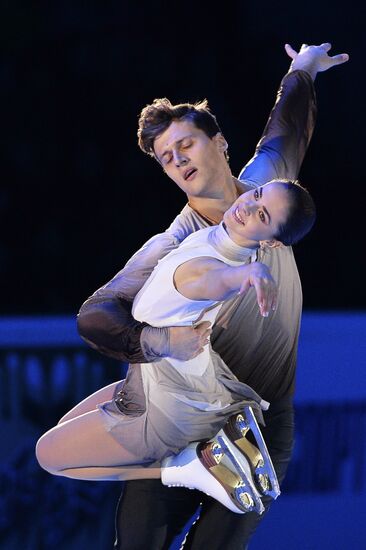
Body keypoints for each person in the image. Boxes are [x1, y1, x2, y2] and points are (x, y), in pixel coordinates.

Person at [74, 43, 348, 549]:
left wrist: (303, 69)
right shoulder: (172, 244)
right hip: (178, 428)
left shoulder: (267, 189)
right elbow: (95, 316)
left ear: (219, 143)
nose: (178, 160)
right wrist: (160, 340)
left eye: (186, 145)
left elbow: (286, 131)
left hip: (261, 428)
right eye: (166, 158)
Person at [36, 177, 315, 513]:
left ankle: (185, 468)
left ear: (271, 244)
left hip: (165, 410)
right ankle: (205, 446)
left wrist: (248, 274)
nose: (248, 207)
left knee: (48, 455)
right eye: (256, 195)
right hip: (161, 383)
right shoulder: (219, 235)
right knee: (62, 429)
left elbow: (216, 278)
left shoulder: (218, 267)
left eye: (263, 216)